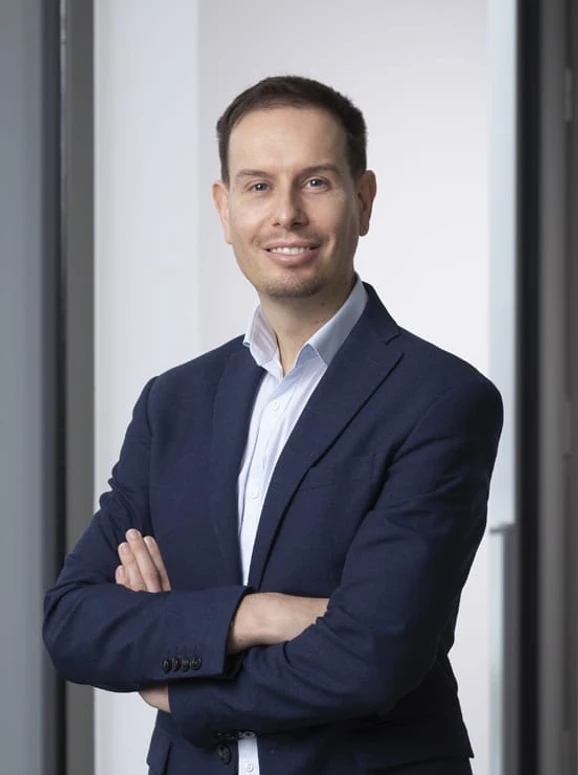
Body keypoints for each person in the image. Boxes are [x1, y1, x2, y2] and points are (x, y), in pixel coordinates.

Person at [43, 75, 503, 775]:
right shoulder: (174, 403)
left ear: (364, 199)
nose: (285, 213)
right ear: (224, 210)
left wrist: (183, 673)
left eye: (314, 182)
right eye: (258, 186)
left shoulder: (441, 399)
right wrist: (254, 615)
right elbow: (74, 622)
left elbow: (370, 653)